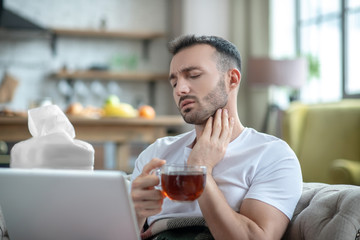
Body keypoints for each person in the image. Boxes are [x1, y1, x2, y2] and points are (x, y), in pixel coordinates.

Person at [130, 35, 302, 240]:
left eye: (193, 75)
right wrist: (135, 215)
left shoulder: (273, 155)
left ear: (232, 79)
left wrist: (199, 170)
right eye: (174, 82)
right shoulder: (156, 153)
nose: (180, 90)